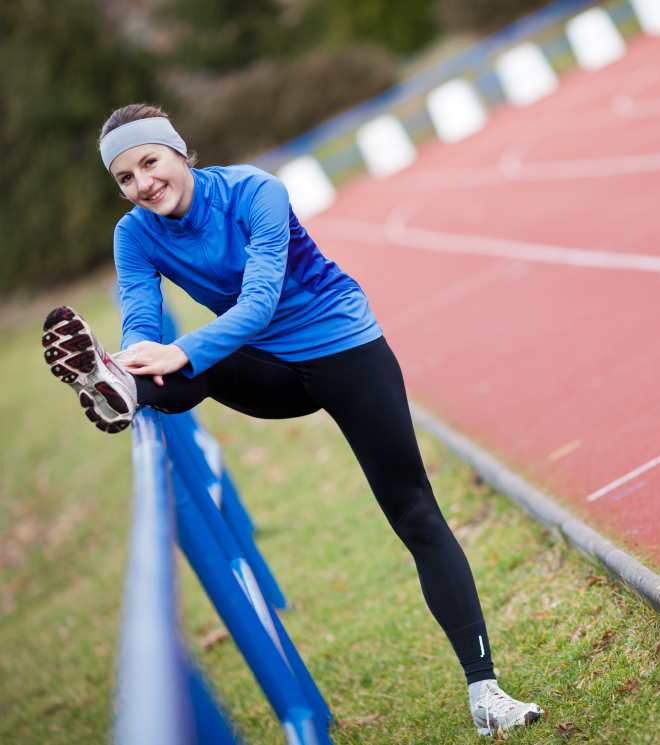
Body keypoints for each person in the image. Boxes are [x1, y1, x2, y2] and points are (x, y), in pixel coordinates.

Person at [42, 103, 543, 737]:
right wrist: (144, 355)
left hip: (346, 351)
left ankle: (485, 691)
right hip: (267, 371)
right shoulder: (134, 235)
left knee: (414, 512)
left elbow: (259, 301)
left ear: (180, 151)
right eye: (125, 177)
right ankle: (119, 387)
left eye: (149, 161)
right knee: (164, 372)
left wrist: (183, 350)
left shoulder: (256, 192)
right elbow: (142, 317)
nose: (142, 183)